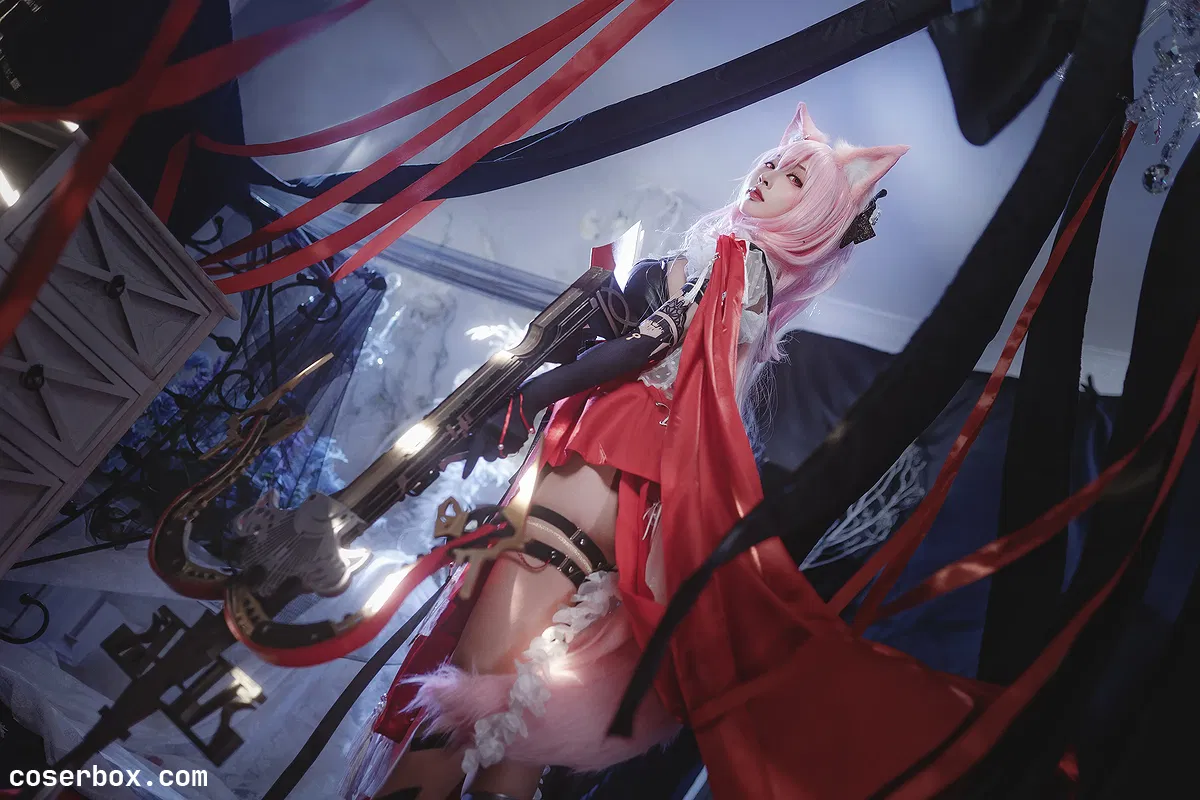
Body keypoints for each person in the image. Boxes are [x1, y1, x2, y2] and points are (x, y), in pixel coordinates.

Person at [347, 102, 940, 800]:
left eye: (794, 179)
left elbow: (648, 341)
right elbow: (642, 334)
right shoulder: (742, 278)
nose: (768, 176)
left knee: (462, 708)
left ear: (816, 216)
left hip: (596, 479)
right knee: (511, 737)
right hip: (617, 503)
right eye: (772, 164)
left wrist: (532, 396)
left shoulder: (738, 262)